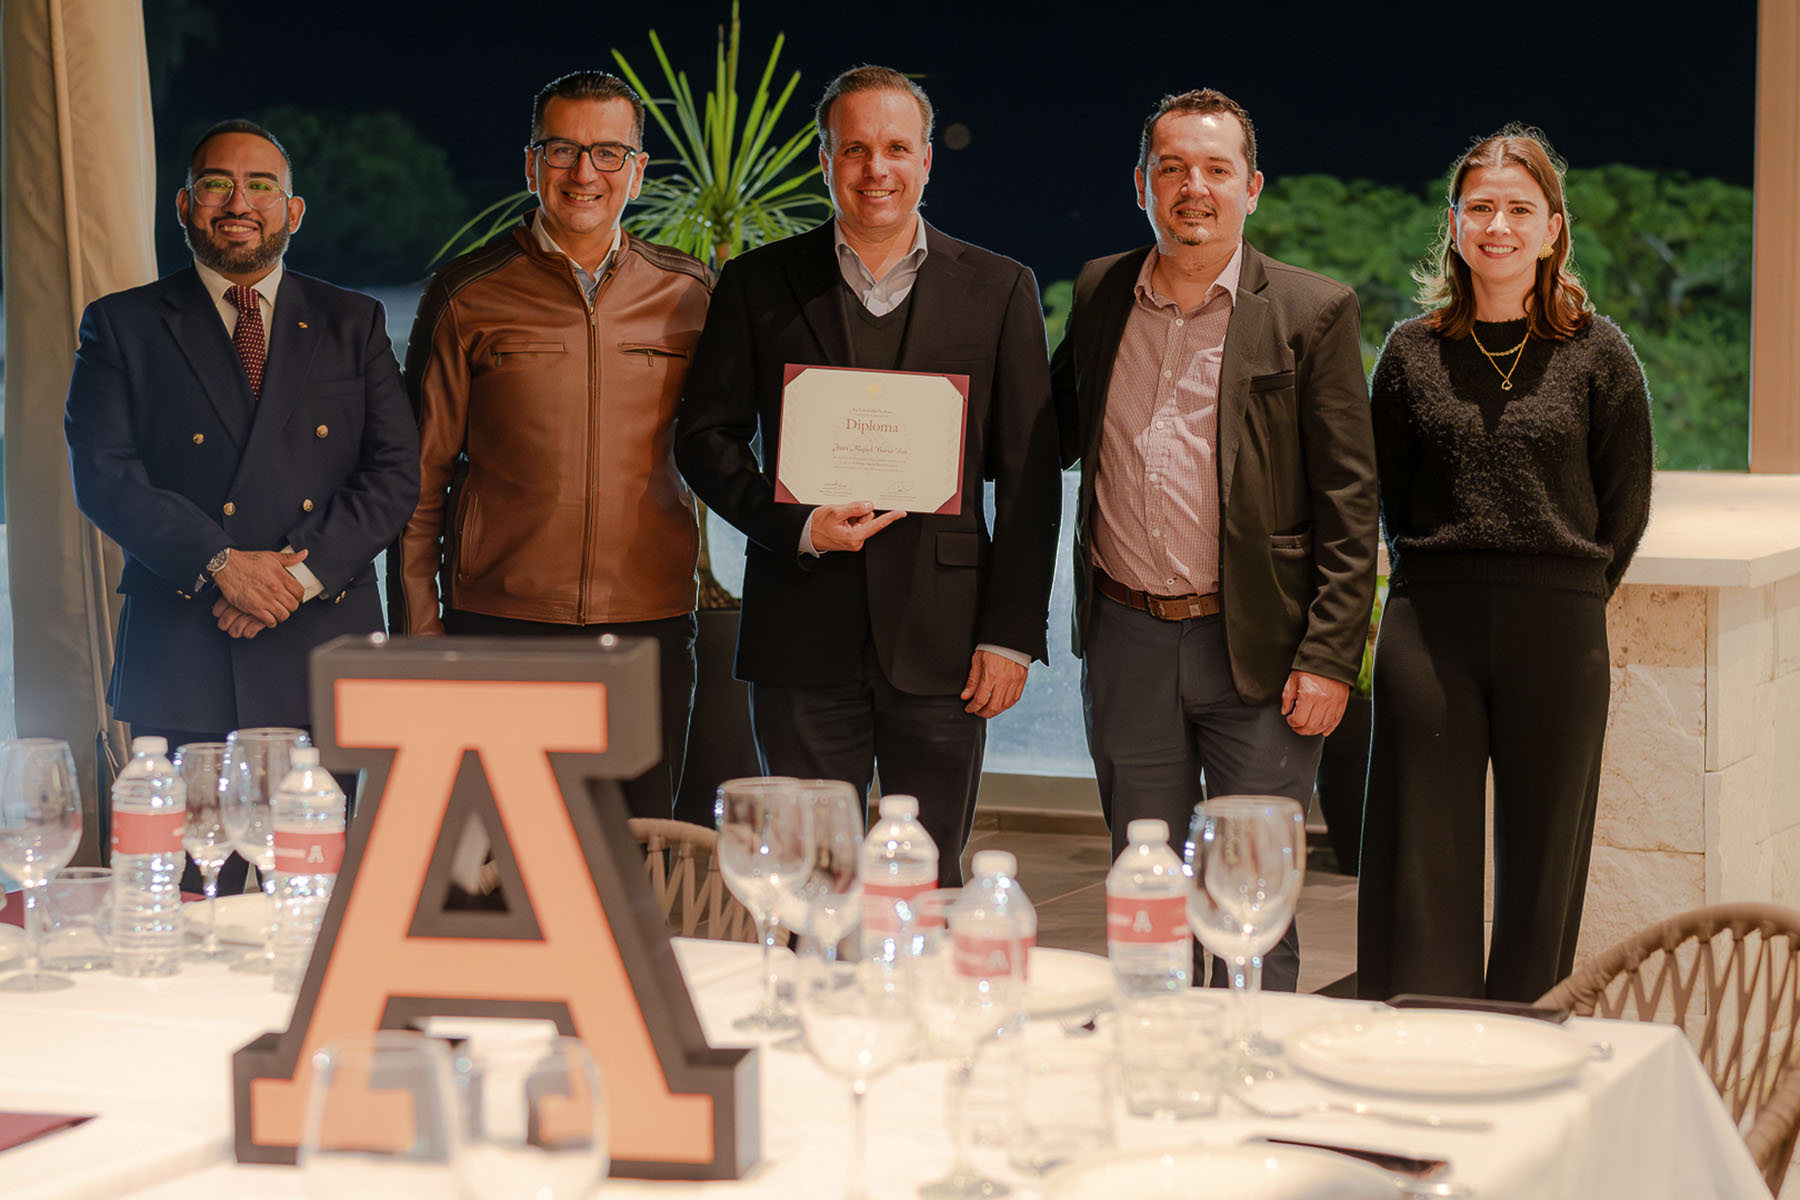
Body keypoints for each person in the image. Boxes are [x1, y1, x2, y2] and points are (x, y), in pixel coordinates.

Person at [677, 65, 1061, 884]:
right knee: (809, 879)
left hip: (949, 641)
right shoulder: (757, 283)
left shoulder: (999, 289)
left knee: (927, 881)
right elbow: (704, 437)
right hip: (800, 630)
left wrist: (1011, 637)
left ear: (927, 160)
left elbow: (1029, 480)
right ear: (825, 162)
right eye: (854, 148)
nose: (875, 168)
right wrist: (792, 525)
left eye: (894, 147)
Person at [1051, 89, 1378, 992]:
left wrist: (1330, 655)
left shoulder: (1313, 312)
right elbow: (1045, 432)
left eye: (1215, 169)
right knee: (1144, 890)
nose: (1193, 187)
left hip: (1264, 652)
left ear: (1253, 186)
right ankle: (1152, 1078)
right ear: (1143, 185)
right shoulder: (1097, 291)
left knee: (1249, 900)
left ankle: (1258, 1090)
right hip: (1129, 641)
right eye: (1171, 168)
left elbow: (1351, 499)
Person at [65, 119, 420, 891]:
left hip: (321, 644)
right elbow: (102, 473)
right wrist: (221, 564)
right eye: (218, 184)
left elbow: (395, 473)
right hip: (187, 651)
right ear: (187, 206)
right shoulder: (121, 325)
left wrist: (294, 577)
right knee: (189, 898)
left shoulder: (350, 321)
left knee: (316, 894)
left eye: (262, 185)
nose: (240, 201)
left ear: (293, 214)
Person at [1356, 126, 1654, 1003]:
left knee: (1542, 873)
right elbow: (1391, 493)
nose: (1499, 225)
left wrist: (1564, 593)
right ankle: (1420, 1058)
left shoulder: (1602, 355)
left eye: (1519, 209)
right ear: (1453, 225)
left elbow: (1624, 505)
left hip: (1558, 629)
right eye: (1480, 207)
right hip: (1430, 622)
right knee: (1422, 865)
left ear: (1553, 228)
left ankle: (1525, 1061)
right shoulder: (1411, 353)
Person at [392, 71, 713, 820]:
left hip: (648, 622)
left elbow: (734, 444)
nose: (583, 174)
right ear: (530, 164)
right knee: (503, 853)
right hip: (500, 622)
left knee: (636, 854)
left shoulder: (690, 293)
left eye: (607, 153)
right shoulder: (466, 292)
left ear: (637, 170)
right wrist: (421, 628)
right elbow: (418, 478)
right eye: (562, 149)